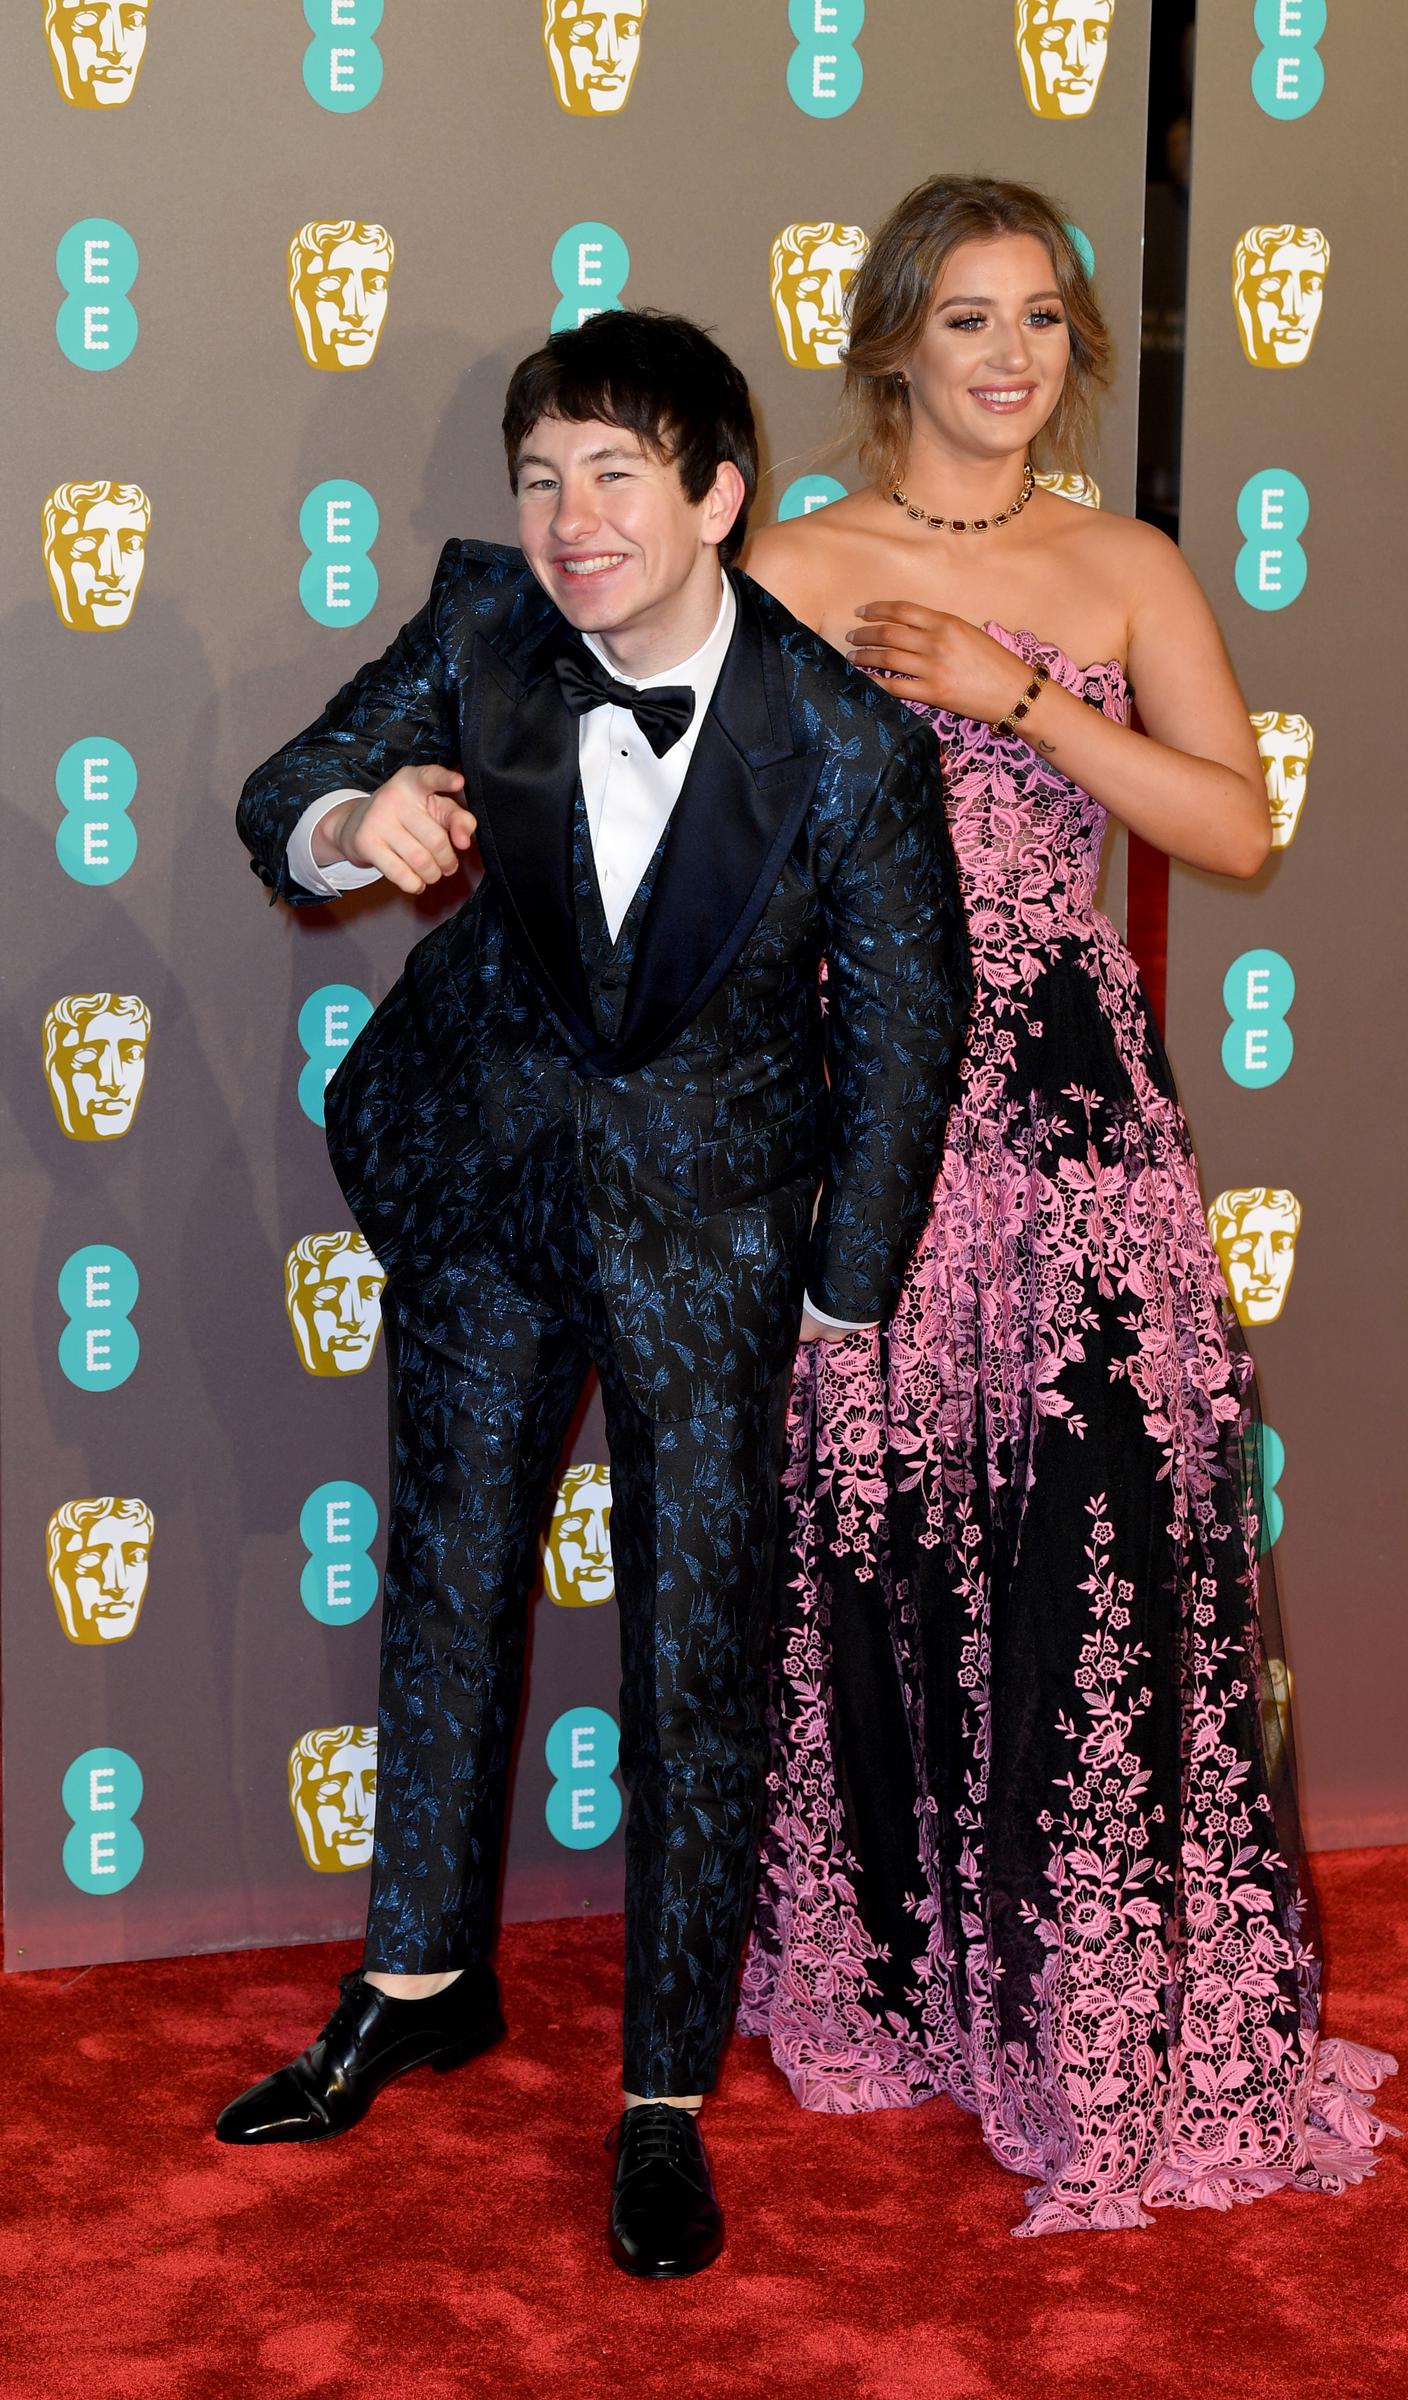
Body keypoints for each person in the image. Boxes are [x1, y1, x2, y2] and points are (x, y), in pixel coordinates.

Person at [220, 309, 970, 2280]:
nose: (568, 517)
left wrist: (838, 1292)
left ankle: (658, 2093)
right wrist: (345, 822)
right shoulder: (478, 630)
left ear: (720, 493)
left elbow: (907, 1029)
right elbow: (288, 784)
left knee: (693, 1659)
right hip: (478, 1199)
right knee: (445, 1590)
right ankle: (416, 1977)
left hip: (713, 1245)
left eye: (615, 473)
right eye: (541, 475)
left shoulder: (843, 736)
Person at [738, 176, 1398, 2236]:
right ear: (889, 348)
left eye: (1039, 319)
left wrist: (1018, 698)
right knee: (875, 1532)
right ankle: (909, 1980)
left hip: (1078, 1137)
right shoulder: (780, 566)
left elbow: (1233, 823)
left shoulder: (1117, 569)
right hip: (862, 1139)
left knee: (1098, 1544)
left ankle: (1099, 1986)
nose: (1008, 358)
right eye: (964, 321)